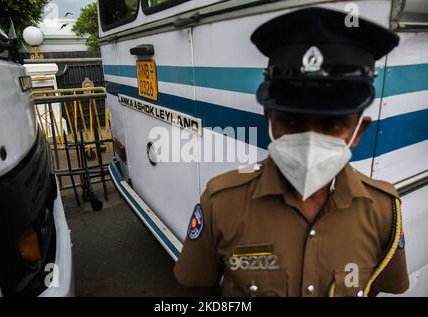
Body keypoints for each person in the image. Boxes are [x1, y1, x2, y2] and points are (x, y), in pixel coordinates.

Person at [174, 7, 410, 297]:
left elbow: (376, 288)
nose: (310, 139)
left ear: (358, 131)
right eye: (292, 121)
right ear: (268, 120)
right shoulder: (221, 203)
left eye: (331, 124)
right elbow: (197, 289)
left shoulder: (384, 210)